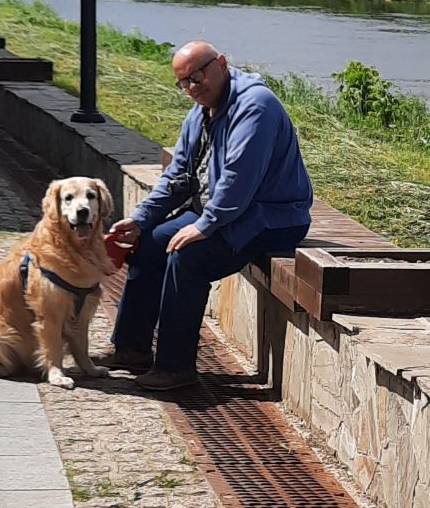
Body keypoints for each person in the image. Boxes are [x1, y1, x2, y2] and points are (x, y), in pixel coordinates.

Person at [105, 41, 313, 391]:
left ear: (221, 63)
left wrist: (204, 226)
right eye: (183, 82)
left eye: (197, 75)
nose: (191, 87)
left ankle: (175, 368)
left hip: (272, 218)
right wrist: (141, 219)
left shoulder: (256, 106)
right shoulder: (201, 110)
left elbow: (238, 180)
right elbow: (177, 174)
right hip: (226, 212)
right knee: (149, 244)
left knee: (187, 257)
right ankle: (131, 350)